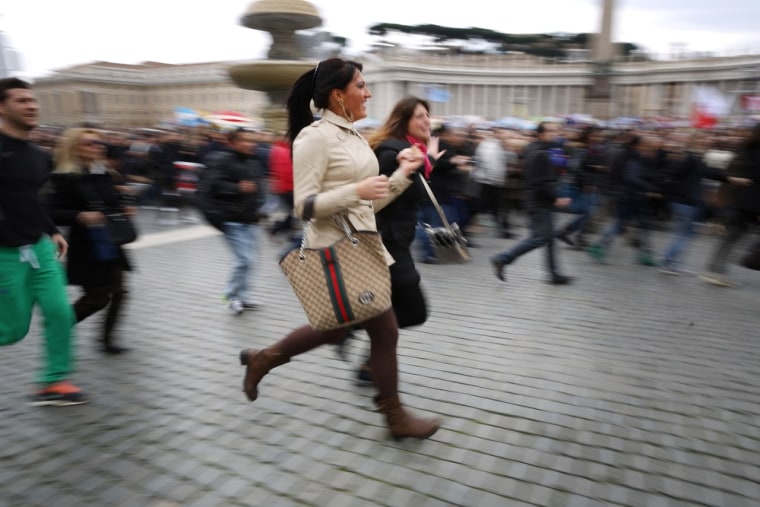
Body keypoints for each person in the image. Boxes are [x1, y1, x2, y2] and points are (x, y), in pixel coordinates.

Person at [238, 58, 439, 440]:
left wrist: (400, 175)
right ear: (338, 94)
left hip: (366, 248)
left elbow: (368, 204)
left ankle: (262, 359)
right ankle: (394, 417)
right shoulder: (314, 138)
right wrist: (356, 191)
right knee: (384, 333)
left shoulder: (354, 137)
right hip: (337, 252)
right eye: (361, 86)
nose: (368, 92)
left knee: (335, 330)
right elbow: (304, 206)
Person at [339, 96, 442, 382]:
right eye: (419, 116)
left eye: (427, 116)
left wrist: (428, 160)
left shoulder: (410, 151)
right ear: (404, 120)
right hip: (387, 245)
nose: (426, 121)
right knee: (415, 311)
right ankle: (347, 328)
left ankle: (369, 366)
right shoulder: (391, 152)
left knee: (389, 311)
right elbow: (375, 201)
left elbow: (413, 189)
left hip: (396, 242)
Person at [0, 77, 88, 405]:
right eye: (21, 100)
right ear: (2, 107)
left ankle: (53, 382)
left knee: (60, 312)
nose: (31, 105)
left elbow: (32, 199)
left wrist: (51, 230)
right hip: (5, 253)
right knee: (10, 331)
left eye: (32, 100)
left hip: (39, 247)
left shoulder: (38, 155)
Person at [46, 127, 134, 354]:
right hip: (87, 246)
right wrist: (79, 216)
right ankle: (60, 326)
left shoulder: (102, 172)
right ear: (74, 148)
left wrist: (122, 208)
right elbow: (50, 211)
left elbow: (109, 202)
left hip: (110, 240)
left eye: (99, 143)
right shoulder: (64, 176)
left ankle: (107, 340)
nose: (97, 147)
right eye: (89, 143)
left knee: (120, 292)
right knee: (96, 298)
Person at [490, 122, 574, 284]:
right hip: (539, 202)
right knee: (540, 237)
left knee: (548, 238)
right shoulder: (541, 154)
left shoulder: (534, 149)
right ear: (541, 134)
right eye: (551, 131)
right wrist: (555, 198)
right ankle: (502, 258)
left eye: (556, 130)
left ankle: (554, 273)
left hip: (536, 200)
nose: (555, 134)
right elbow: (542, 182)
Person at [203, 128, 268, 314]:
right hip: (232, 219)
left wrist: (261, 204)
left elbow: (258, 185)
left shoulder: (252, 159)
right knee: (244, 261)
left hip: (250, 218)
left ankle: (244, 296)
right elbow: (211, 186)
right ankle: (230, 296)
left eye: (251, 140)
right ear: (231, 143)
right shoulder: (222, 160)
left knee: (252, 260)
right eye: (245, 140)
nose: (250, 143)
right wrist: (236, 188)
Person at [585, 134, 662, 266]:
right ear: (637, 145)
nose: (646, 146)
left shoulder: (625, 155)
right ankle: (645, 255)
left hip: (626, 195)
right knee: (641, 226)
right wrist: (649, 188)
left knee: (623, 224)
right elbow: (631, 177)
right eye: (643, 144)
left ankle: (600, 246)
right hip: (634, 197)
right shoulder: (633, 158)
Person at [700, 123, 760, 286]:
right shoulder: (755, 153)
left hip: (742, 201)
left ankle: (716, 269)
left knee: (732, 237)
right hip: (753, 203)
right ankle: (719, 270)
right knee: (734, 237)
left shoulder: (746, 149)